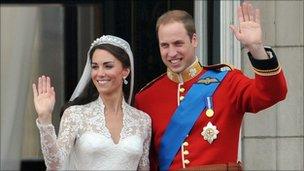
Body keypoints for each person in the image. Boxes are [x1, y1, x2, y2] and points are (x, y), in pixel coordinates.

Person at [135, 2, 287, 170]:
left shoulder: (228, 82)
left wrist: (256, 48)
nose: (171, 53)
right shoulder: (146, 98)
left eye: (178, 43)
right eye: (165, 45)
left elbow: (274, 93)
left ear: (194, 40)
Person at [33, 35, 151, 170]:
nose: (100, 73)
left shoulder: (143, 121)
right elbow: (55, 165)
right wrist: (45, 118)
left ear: (125, 71)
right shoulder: (74, 114)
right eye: (95, 67)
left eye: (108, 66)